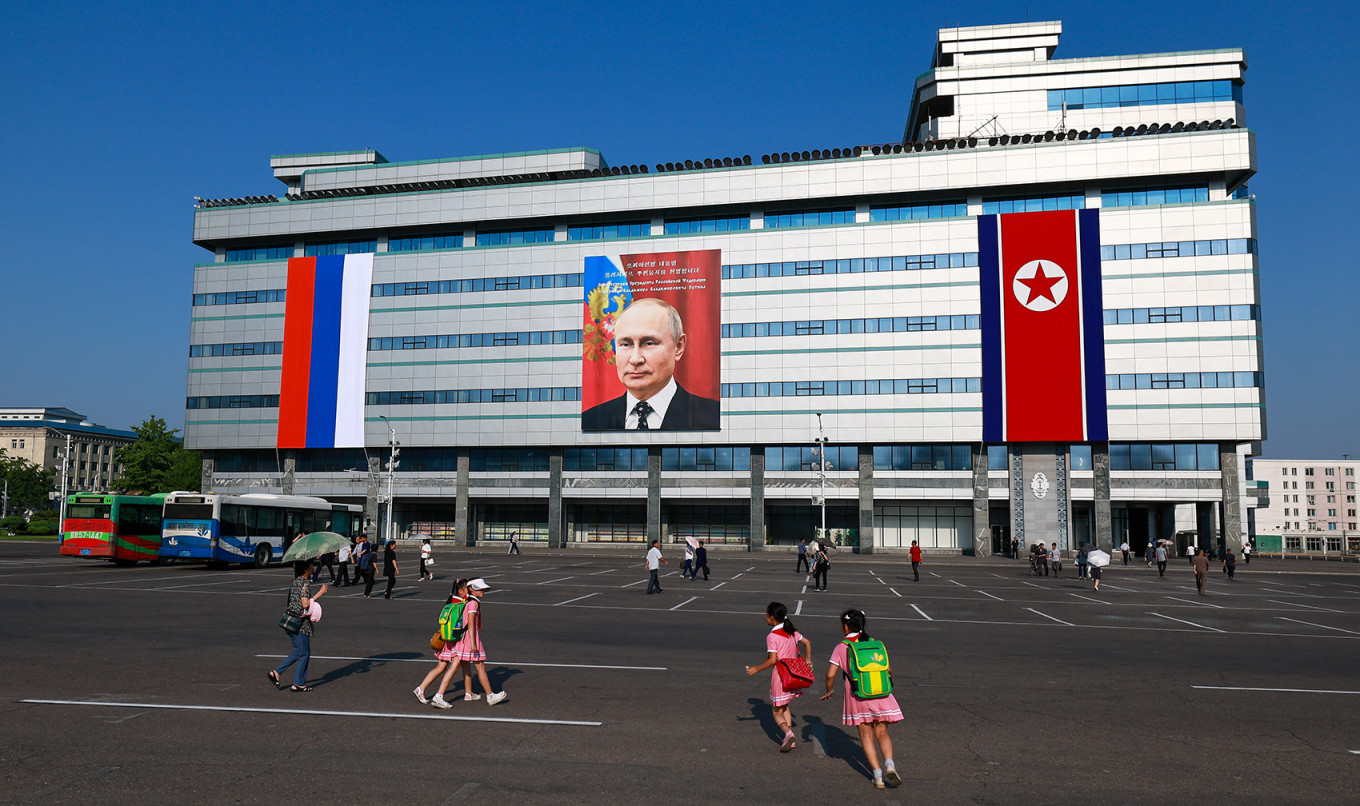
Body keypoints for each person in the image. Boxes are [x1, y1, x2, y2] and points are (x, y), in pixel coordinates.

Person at [580, 297, 720, 431]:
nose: (635, 359)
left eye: (649, 343)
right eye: (626, 344)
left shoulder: (714, 417)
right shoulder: (590, 420)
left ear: (678, 347)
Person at [820, 609, 904, 789]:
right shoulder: (875, 643)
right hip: (880, 694)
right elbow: (888, 670)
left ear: (845, 626)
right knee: (882, 732)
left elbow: (830, 675)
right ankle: (890, 764)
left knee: (866, 736)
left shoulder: (842, 647)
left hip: (858, 695)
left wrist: (829, 690)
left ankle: (878, 776)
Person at [745, 601, 812, 753]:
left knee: (776, 712)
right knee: (786, 706)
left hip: (781, 676)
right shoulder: (791, 631)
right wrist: (808, 660)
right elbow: (807, 643)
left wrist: (757, 668)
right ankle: (789, 738)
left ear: (772, 617)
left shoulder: (772, 636)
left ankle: (788, 733)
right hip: (793, 675)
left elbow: (772, 660)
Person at [269, 559, 328, 692]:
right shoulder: (304, 583)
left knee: (298, 651)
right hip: (300, 623)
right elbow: (305, 604)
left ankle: (276, 673)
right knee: (304, 653)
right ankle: (298, 683)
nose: (313, 567)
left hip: (290, 621)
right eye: (311, 565)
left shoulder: (295, 582)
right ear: (306, 568)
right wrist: (321, 593)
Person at [451, 578, 507, 705]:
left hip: (464, 637)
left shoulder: (468, 601)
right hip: (471, 638)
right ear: (471, 589)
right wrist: (474, 643)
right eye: (480, 588)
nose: (483, 590)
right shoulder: (473, 603)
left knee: (464, 665)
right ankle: (490, 695)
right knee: (480, 666)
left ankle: (467, 693)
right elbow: (471, 623)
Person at [415, 579, 468, 708]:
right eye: (468, 589)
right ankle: (436, 694)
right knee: (449, 667)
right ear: (461, 591)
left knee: (441, 667)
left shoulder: (452, 600)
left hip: (447, 639)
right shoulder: (459, 602)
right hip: (452, 640)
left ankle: (421, 689)